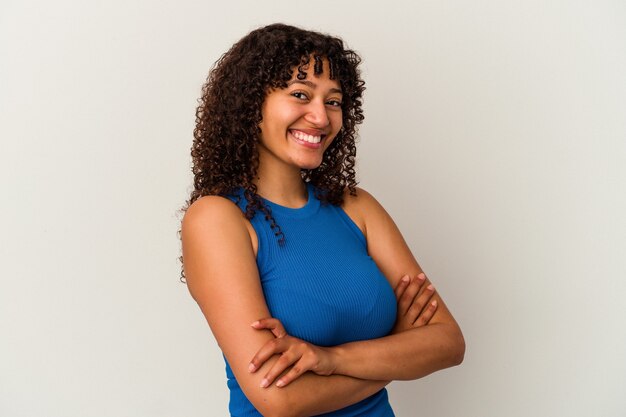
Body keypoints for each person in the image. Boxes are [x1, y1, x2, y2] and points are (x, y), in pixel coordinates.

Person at [180, 23, 465, 417]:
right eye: (300, 95)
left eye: (333, 101)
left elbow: (448, 343)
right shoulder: (216, 219)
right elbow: (280, 401)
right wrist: (397, 352)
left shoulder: (357, 208)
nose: (320, 117)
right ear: (250, 104)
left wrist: (330, 359)